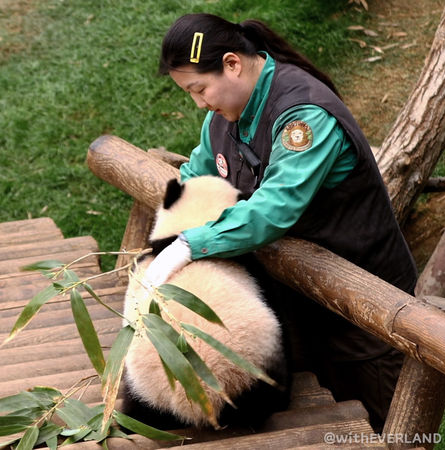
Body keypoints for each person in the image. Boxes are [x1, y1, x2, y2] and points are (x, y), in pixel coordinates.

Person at [144, 12, 418, 431]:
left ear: (232, 64)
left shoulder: (304, 116)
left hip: (365, 312)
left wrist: (189, 245)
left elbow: (274, 208)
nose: (199, 102)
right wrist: (167, 237)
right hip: (298, 300)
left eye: (199, 89)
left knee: (381, 429)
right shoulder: (224, 118)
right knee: (318, 424)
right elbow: (194, 180)